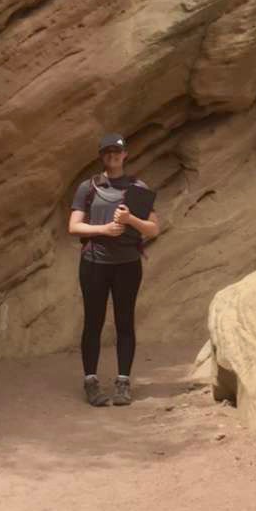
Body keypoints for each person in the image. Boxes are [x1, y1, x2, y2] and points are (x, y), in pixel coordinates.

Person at [68, 134, 160, 406]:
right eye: (107, 152)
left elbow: (154, 228)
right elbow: (73, 226)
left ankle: (123, 383)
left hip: (127, 264)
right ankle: (91, 381)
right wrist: (104, 230)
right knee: (93, 322)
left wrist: (130, 219)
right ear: (101, 156)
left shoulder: (137, 187)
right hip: (95, 263)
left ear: (125, 155)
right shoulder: (89, 187)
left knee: (125, 323)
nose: (112, 156)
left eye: (116, 152)